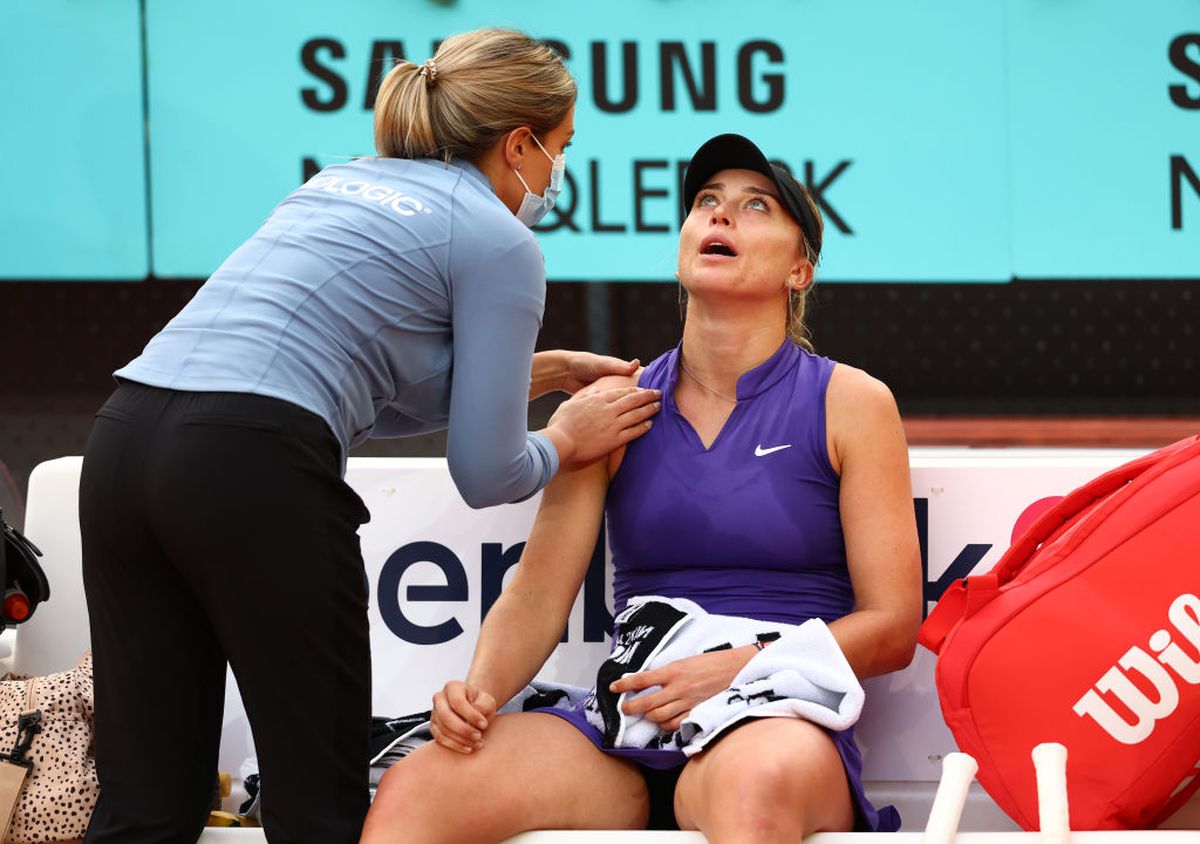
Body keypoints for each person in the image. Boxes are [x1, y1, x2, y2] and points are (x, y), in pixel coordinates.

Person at [78, 28, 661, 844]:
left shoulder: (340, 182)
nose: (557, 176)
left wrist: (530, 373)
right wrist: (567, 435)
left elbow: (363, 395)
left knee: (145, 808)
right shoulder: (502, 241)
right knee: (318, 808)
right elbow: (487, 471)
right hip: (248, 465)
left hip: (124, 443)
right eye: (561, 149)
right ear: (520, 142)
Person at [359, 133, 924, 844]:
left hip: (771, 713)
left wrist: (733, 670)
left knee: (751, 793)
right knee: (423, 784)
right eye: (707, 203)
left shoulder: (852, 401)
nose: (721, 217)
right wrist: (478, 696)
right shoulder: (615, 404)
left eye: (756, 207)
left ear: (800, 269)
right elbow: (537, 593)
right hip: (630, 720)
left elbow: (893, 627)